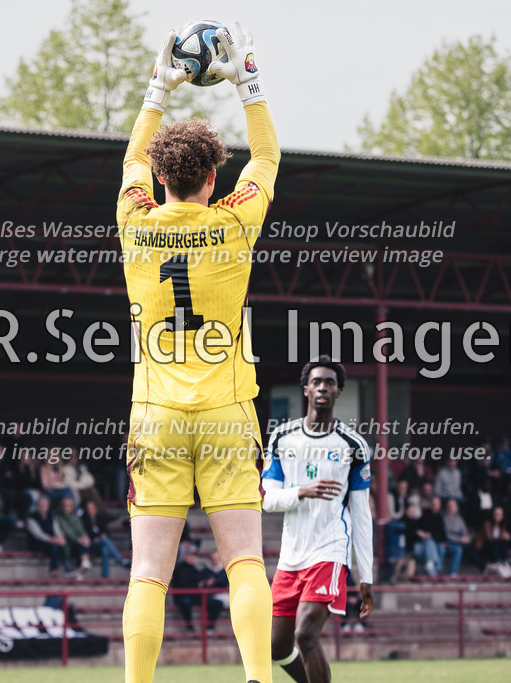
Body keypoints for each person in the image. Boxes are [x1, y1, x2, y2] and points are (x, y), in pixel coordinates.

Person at [117, 21, 279, 683]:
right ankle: (259, 680)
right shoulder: (235, 220)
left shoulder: (135, 220)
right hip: (227, 412)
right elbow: (266, 159)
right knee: (243, 561)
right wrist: (247, 78)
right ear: (213, 179)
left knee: (148, 570)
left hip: (155, 415)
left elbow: (129, 165)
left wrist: (159, 86)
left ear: (161, 178)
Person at [263, 357, 374, 683]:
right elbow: (267, 499)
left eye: (330, 383)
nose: (323, 387)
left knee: (306, 634)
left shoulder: (353, 446)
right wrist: (302, 491)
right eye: (317, 382)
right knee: (276, 646)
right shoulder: (282, 438)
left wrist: (364, 574)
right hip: (291, 555)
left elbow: (362, 515)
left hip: (330, 550)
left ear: (338, 392)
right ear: (306, 389)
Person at [172, 551, 224, 632]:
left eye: (193, 556)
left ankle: (209, 628)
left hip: (195, 596)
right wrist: (198, 585)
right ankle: (189, 628)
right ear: (185, 557)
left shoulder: (194, 568)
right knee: (186, 603)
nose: (193, 558)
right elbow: (184, 585)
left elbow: (200, 580)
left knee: (217, 603)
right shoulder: (180, 569)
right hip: (183, 596)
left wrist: (205, 583)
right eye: (191, 556)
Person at [81, 499, 129, 578]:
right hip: (91, 544)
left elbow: (106, 532)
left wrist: (99, 536)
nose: (90, 510)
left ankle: (105, 576)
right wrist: (98, 536)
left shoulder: (99, 518)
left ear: (95, 509)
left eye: (92, 508)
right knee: (104, 540)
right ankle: (121, 561)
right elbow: (88, 533)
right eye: (88, 508)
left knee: (105, 550)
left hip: (100, 543)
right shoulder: (84, 519)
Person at [26, 496, 69, 575]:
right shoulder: (31, 518)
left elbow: (57, 529)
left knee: (58, 545)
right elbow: (38, 534)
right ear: (37, 506)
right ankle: (65, 567)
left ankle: (57, 569)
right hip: (37, 543)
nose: (43, 507)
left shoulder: (51, 516)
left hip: (51, 543)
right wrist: (52, 540)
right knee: (55, 546)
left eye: (45, 505)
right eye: (41, 505)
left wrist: (61, 537)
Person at [55, 496, 93, 574]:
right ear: (61, 506)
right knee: (81, 544)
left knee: (85, 543)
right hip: (67, 543)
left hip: (77, 543)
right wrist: (79, 539)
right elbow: (67, 531)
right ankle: (83, 564)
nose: (67, 507)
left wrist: (85, 537)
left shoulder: (75, 517)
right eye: (65, 505)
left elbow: (81, 529)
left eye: (69, 505)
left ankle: (84, 563)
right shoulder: (59, 517)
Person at [480, 506, 511, 578]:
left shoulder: (502, 525)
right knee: (496, 543)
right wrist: (501, 537)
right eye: (496, 514)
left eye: (500, 515)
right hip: (486, 547)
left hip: (497, 547)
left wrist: (507, 536)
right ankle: (498, 563)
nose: (498, 516)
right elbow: (489, 538)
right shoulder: (487, 523)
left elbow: (503, 537)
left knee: (504, 543)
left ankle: (505, 563)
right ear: (493, 514)